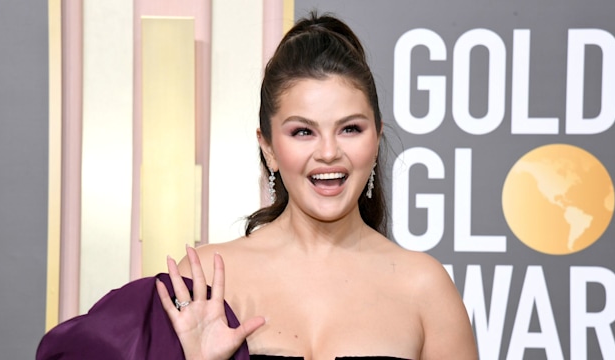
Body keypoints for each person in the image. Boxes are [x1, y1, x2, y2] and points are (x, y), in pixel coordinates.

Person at [156, 12, 478, 360]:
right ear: (268, 148)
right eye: (303, 132)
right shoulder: (203, 284)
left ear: (376, 139)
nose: (328, 153)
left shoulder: (425, 289)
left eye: (350, 129)